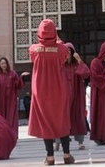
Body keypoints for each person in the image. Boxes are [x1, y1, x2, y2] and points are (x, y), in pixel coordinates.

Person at [27, 19, 75, 166]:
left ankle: (50, 157)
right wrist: (58, 41)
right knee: (62, 121)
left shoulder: (33, 49)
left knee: (45, 123)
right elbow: (65, 56)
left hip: (40, 92)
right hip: (59, 90)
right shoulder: (61, 49)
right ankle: (67, 155)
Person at [61, 44, 90, 151]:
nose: (68, 53)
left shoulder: (76, 65)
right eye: (66, 51)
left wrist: (79, 61)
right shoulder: (60, 65)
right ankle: (58, 142)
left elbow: (86, 73)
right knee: (62, 119)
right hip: (63, 97)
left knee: (78, 118)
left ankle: (80, 141)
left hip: (77, 96)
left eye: (70, 51)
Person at [0, 57, 26, 135]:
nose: (4, 65)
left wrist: (22, 77)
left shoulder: (13, 74)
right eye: (2, 63)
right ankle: (4, 135)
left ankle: (12, 135)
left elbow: (18, 84)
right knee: (2, 118)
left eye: (5, 63)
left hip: (11, 101)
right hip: (1, 102)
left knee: (11, 117)